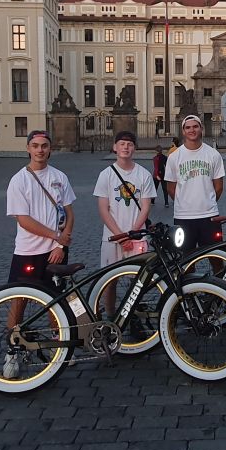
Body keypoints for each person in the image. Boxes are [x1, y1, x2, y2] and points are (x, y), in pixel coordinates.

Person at [4, 130, 76, 378]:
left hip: (55, 251)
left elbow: (69, 213)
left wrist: (60, 246)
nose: (40, 150)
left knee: (56, 300)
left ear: (50, 149)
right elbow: (23, 220)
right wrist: (56, 236)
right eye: (35, 146)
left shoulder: (59, 177)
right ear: (27, 149)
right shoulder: (19, 180)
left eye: (44, 146)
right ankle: (12, 350)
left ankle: (59, 346)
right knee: (19, 300)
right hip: (28, 250)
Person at [94, 131, 155, 314]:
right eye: (122, 144)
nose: (126, 147)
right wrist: (121, 237)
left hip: (137, 237)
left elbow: (145, 208)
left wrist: (132, 233)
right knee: (109, 281)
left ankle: (134, 314)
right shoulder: (106, 175)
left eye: (129, 144)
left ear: (134, 148)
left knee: (137, 281)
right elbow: (104, 209)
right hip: (112, 237)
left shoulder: (143, 174)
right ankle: (111, 316)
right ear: (115, 147)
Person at [165, 114, 225, 258]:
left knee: (216, 257)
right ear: (183, 131)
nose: (192, 130)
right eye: (188, 127)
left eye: (195, 126)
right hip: (183, 216)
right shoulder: (174, 157)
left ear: (201, 129)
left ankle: (218, 280)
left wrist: (206, 201)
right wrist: (184, 201)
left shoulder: (213, 155)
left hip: (209, 216)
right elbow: (170, 188)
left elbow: (219, 186)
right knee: (185, 260)